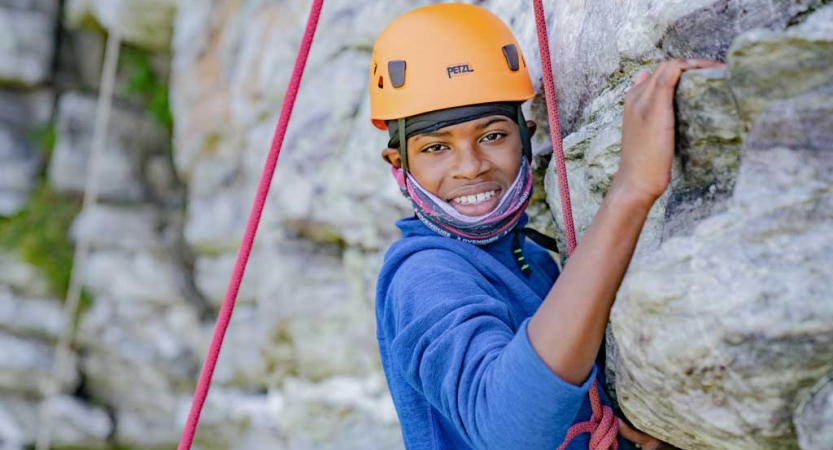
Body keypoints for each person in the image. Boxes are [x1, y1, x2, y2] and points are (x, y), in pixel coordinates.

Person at [371, 4, 724, 450]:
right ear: (399, 166)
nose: (470, 167)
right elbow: (508, 430)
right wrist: (630, 191)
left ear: (526, 135)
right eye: (437, 147)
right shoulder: (424, 277)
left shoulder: (529, 254)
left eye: (492, 136)